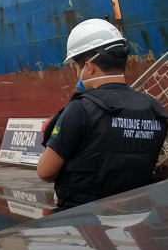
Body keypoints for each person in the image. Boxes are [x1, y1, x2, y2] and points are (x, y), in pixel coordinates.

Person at [37, 18, 168, 211]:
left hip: (83, 217)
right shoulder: (155, 108)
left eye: (76, 68)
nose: (77, 75)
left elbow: (45, 171)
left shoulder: (80, 109)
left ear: (89, 67)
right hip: (138, 215)